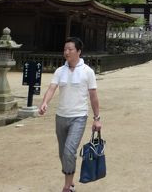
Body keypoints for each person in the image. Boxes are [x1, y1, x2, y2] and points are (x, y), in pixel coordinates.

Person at [39, 38, 102, 192]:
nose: (66, 52)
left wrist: (97, 118)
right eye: (65, 49)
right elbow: (52, 88)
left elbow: (93, 95)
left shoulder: (88, 71)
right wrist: (45, 102)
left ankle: (67, 187)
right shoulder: (60, 71)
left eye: (70, 49)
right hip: (60, 116)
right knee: (63, 153)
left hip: (79, 117)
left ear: (79, 51)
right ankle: (70, 180)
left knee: (69, 151)